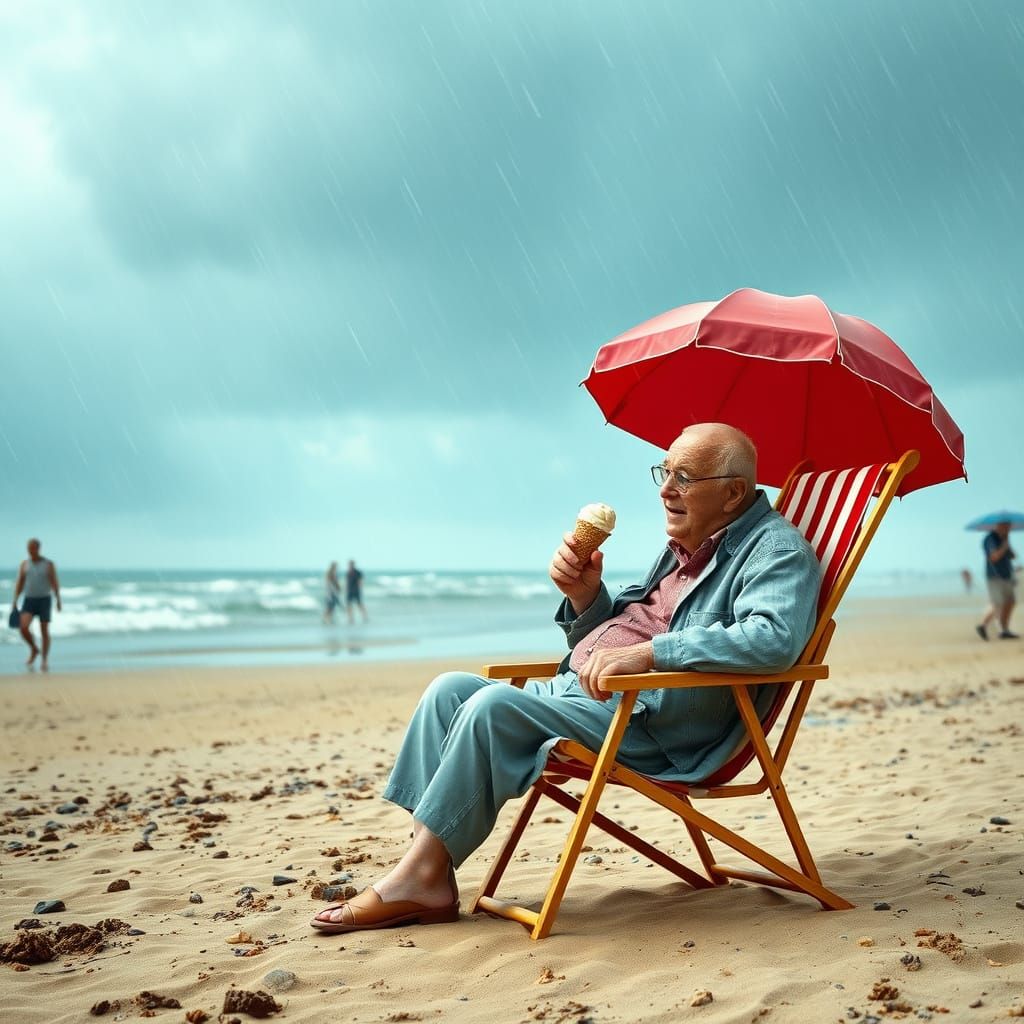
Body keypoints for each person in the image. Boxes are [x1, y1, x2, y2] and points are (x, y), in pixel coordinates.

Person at [311, 422, 822, 934]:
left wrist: (652, 654)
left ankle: (418, 882)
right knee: (449, 690)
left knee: (492, 709)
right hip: (595, 697)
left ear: (734, 492)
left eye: (684, 477)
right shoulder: (690, 544)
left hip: (654, 723)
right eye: (664, 472)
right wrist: (585, 596)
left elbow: (773, 639)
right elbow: (629, 626)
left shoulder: (776, 551)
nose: (666, 490)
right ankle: (425, 870)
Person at [11, 538, 62, 672]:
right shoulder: (24, 564)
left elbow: (54, 582)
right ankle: (34, 648)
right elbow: (20, 583)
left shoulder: (48, 564)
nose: (31, 550)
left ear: (38, 548)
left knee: (44, 631)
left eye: (33, 548)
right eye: (29, 548)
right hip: (29, 600)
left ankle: (44, 660)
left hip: (44, 600)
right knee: (23, 627)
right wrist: (15, 600)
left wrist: (58, 600)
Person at [976, 521, 1017, 640]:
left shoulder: (1003, 539)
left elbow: (1012, 556)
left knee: (1010, 602)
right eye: (1006, 526)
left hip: (1007, 575)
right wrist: (1004, 546)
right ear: (998, 525)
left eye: (1009, 526)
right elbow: (994, 557)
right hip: (994, 576)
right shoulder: (990, 539)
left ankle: (1004, 630)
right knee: (997, 602)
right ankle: (982, 626)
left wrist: (1007, 545)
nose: (1008, 529)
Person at [345, 559, 368, 624]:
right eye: (349, 564)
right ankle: (350, 618)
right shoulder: (348, 572)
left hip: (356, 591)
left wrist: (359, 589)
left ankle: (365, 617)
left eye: (351, 564)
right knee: (349, 605)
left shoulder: (358, 572)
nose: (350, 565)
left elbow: (360, 582)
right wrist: (346, 589)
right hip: (349, 591)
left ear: (353, 564)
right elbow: (347, 582)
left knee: (359, 604)